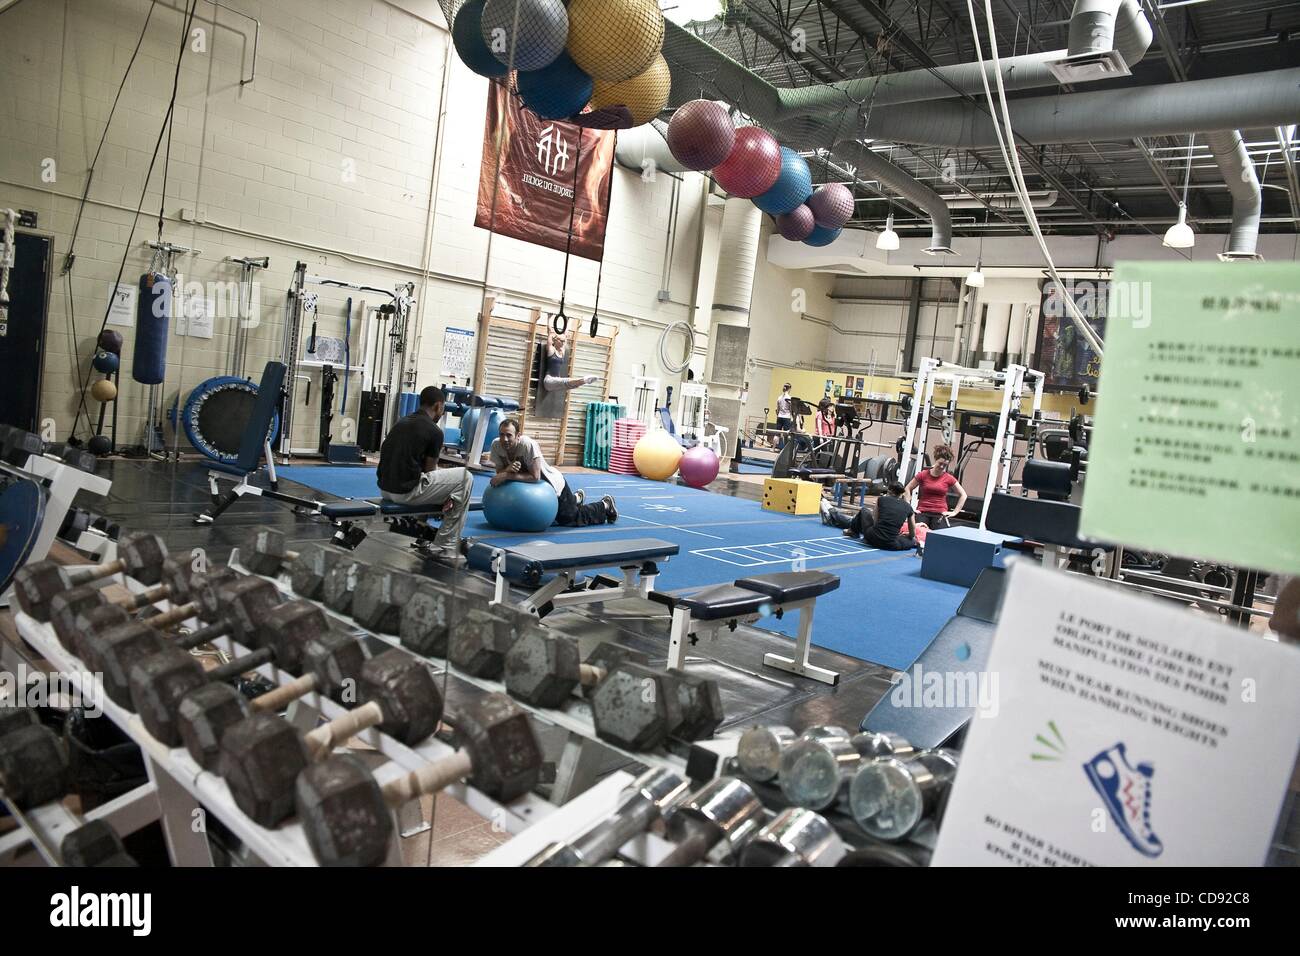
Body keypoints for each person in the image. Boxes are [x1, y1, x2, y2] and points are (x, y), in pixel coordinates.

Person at [377, 385, 473, 563]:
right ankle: (446, 545)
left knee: (435, 481)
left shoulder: (402, 422)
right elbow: (430, 472)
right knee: (466, 477)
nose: (442, 413)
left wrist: (448, 491)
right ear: (438, 406)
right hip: (405, 493)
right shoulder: (434, 431)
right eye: (442, 409)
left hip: (385, 489)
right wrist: (450, 494)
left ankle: (422, 533)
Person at [489, 418, 617, 526]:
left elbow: (535, 477)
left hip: (552, 484)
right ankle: (576, 499)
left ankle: (605, 505)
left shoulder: (528, 445)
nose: (504, 439)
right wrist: (507, 469)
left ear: (518, 436)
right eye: (501, 434)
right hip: (532, 491)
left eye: (509, 435)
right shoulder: (496, 445)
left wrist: (507, 475)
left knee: (569, 519)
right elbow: (499, 473)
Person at [905, 443, 968, 530]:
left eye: (945, 465)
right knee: (920, 534)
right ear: (936, 459)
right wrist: (909, 507)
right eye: (940, 463)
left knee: (938, 537)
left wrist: (954, 512)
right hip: (922, 511)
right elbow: (907, 488)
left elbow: (963, 495)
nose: (942, 466)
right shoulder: (923, 475)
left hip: (940, 513)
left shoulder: (948, 478)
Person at [844, 482, 918, 551]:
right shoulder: (909, 507)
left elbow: (875, 521)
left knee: (864, 510)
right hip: (891, 544)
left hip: (872, 538)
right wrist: (907, 536)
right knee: (912, 540)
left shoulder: (881, 499)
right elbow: (912, 534)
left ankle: (852, 531)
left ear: (889, 491)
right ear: (902, 494)